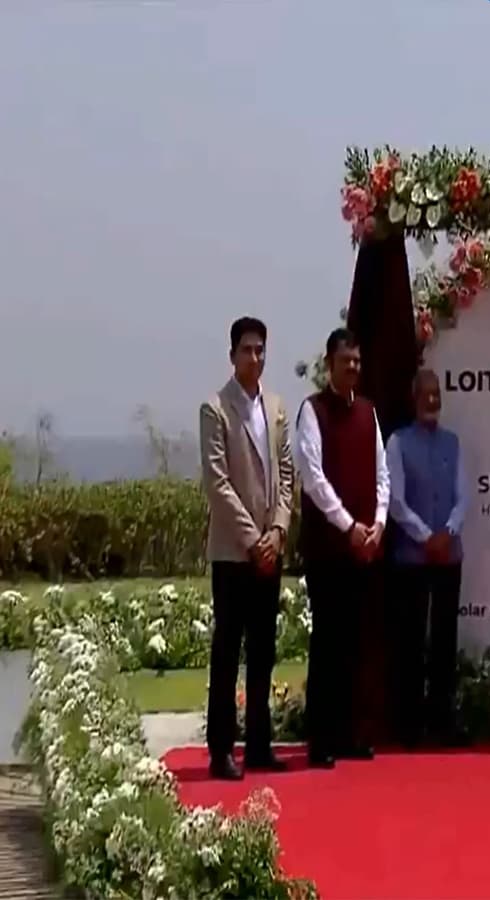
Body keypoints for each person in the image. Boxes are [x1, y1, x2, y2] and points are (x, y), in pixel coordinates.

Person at [198, 316, 294, 781]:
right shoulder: (215, 409)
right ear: (232, 354)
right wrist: (253, 540)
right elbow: (217, 483)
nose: (254, 358)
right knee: (227, 652)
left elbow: (287, 474)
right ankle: (221, 750)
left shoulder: (274, 406)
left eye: (260, 350)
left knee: (263, 650)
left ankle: (259, 744)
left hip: (269, 550)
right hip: (234, 552)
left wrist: (277, 531)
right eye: (246, 350)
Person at [295, 328, 390, 768]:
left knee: (357, 644)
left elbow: (382, 474)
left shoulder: (368, 411)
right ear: (329, 364)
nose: (352, 367)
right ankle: (322, 739)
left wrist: (378, 524)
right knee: (328, 645)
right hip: (328, 550)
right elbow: (313, 479)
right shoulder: (312, 411)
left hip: (364, 549)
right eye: (345, 360)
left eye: (357, 360)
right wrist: (349, 526)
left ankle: (353, 733)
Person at [384, 370, 468, 746]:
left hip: (449, 555)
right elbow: (395, 501)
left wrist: (448, 531)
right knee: (412, 642)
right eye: (426, 394)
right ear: (414, 397)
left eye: (437, 394)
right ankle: (410, 726)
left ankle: (442, 723)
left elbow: (464, 496)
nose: (432, 400)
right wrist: (425, 537)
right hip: (412, 559)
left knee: (444, 642)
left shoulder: (453, 442)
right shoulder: (398, 443)